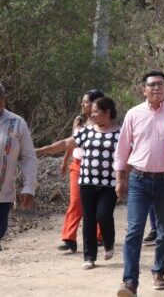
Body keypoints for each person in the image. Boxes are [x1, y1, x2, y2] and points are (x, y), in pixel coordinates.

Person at [114, 71, 164, 297]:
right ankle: (129, 281)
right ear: (144, 89)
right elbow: (122, 150)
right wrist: (120, 179)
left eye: (161, 84)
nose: (157, 88)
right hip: (139, 180)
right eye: (152, 85)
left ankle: (159, 271)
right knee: (134, 231)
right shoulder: (133, 114)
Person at [36, 88, 105, 254]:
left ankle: (100, 236)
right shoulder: (79, 121)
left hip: (98, 168)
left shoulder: (104, 124)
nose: (82, 104)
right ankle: (69, 239)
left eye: (86, 102)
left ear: (96, 103)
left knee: (97, 205)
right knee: (76, 202)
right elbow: (70, 142)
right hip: (78, 166)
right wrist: (65, 160)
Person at [67, 97, 121, 269]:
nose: (92, 114)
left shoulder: (121, 133)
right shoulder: (87, 132)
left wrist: (125, 178)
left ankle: (109, 242)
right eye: (92, 111)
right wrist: (40, 150)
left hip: (109, 184)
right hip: (87, 182)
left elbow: (128, 155)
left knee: (103, 215)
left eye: (96, 111)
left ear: (108, 113)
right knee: (89, 219)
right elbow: (67, 143)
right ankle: (89, 257)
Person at [0, 83, 37, 251]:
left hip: (3, 194)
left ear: (4, 99)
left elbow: (28, 157)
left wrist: (29, 187)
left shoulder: (16, 123)